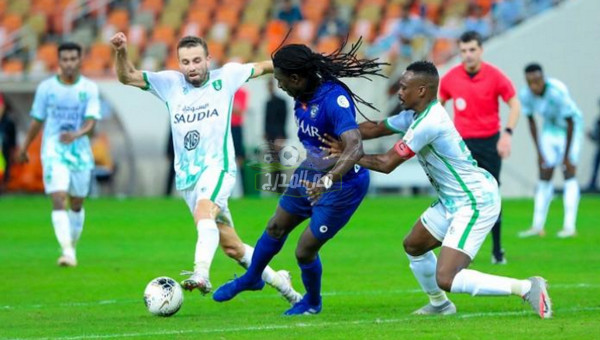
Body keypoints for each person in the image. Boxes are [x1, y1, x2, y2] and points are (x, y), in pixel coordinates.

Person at [321, 60, 552, 319]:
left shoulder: (429, 123)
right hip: (452, 200)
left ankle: (526, 287)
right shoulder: (413, 116)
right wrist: (343, 131)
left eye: (404, 87)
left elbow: (386, 164)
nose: (399, 91)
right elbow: (376, 127)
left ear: (422, 90)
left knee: (447, 276)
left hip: (475, 201)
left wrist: (348, 152)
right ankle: (440, 305)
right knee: (414, 245)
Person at [109, 32, 302, 304]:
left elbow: (263, 67)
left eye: (197, 60)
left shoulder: (227, 77)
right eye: (185, 62)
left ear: (208, 59)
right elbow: (126, 76)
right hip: (188, 177)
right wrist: (121, 51)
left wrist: (299, 61)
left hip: (219, 168)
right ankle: (287, 287)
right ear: (179, 63)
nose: (192, 67)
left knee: (204, 211)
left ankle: (201, 273)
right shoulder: (168, 83)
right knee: (233, 248)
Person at [212, 41, 386, 315]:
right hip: (309, 173)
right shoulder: (300, 89)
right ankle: (253, 277)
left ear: (296, 78)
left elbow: (355, 147)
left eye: (281, 81)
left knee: (304, 251)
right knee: (275, 227)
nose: (279, 86)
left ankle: (313, 302)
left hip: (343, 186)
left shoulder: (333, 99)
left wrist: (327, 181)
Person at [439, 30, 521, 264]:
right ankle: (455, 249)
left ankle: (496, 251)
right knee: (458, 195)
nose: (468, 55)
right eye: (464, 51)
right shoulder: (451, 77)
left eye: (472, 50)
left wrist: (507, 134)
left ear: (481, 50)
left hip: (490, 142)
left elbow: (514, 104)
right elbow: (438, 106)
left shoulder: (495, 76)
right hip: (461, 145)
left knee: (492, 195)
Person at [17, 42, 101, 267]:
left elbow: (92, 122)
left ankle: (71, 247)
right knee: (58, 198)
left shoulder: (89, 88)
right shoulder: (47, 88)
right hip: (54, 150)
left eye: (73, 59)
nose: (69, 64)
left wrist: (77, 134)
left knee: (76, 203)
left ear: (80, 60)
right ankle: (67, 252)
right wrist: (25, 147)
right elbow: (37, 119)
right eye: (65, 59)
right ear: (59, 61)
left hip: (80, 152)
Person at [517, 63, 583, 238]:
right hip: (550, 130)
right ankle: (537, 226)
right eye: (530, 82)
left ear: (542, 78)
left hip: (569, 130)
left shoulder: (557, 91)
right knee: (544, 173)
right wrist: (539, 153)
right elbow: (531, 122)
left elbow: (570, 121)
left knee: (569, 172)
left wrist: (567, 156)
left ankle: (569, 227)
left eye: (536, 81)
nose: (534, 86)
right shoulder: (526, 95)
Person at [264, 79, 288, 194]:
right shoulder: (267, 102)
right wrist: (265, 133)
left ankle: (280, 188)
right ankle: (275, 188)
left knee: (278, 161)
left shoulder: (281, 101)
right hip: (270, 136)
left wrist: (281, 136)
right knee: (273, 161)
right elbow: (266, 120)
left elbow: (283, 120)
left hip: (278, 135)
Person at [585, 100, 600, 193]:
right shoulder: (598, 121)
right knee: (595, 165)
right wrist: (591, 135)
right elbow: (596, 136)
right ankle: (592, 184)